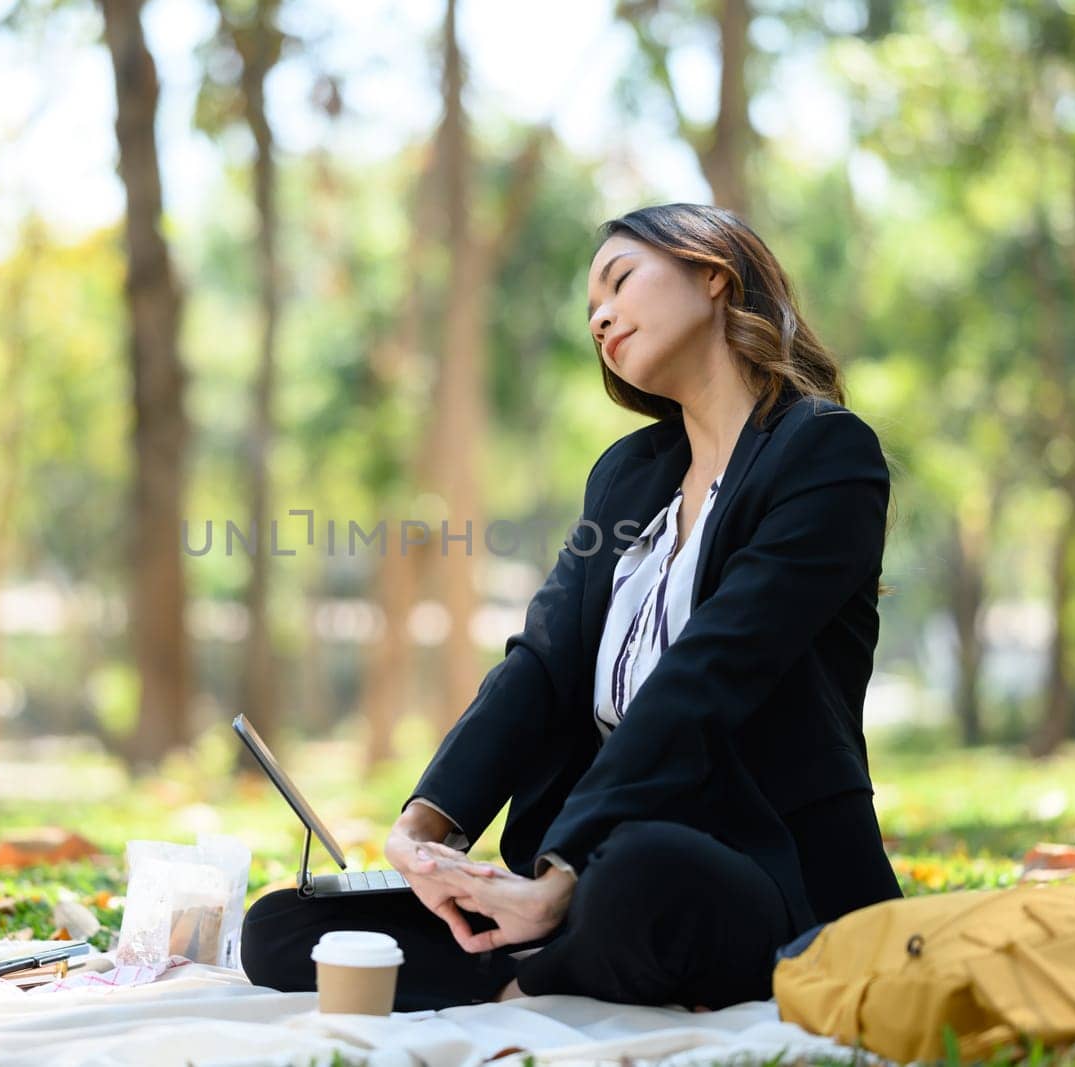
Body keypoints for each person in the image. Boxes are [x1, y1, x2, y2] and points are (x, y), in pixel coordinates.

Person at [239, 202, 903, 1012]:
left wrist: (563, 869)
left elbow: (712, 670)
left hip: (755, 860)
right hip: (589, 856)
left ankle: (528, 968)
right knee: (284, 927)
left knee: (639, 880)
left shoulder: (824, 452)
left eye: (620, 281)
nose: (599, 316)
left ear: (713, 275)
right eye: (591, 308)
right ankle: (541, 955)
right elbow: (544, 665)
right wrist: (429, 827)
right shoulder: (629, 476)